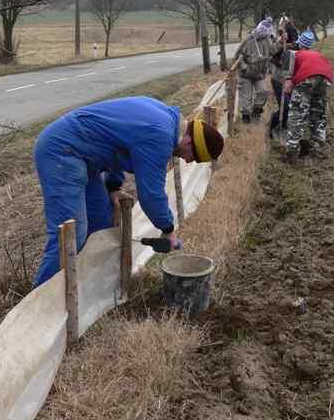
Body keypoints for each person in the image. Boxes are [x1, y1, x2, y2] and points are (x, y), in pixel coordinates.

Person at [33, 96, 224, 286]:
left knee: (101, 221)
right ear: (190, 142)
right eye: (194, 157)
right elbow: (151, 194)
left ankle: (85, 289)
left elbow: (116, 143)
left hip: (83, 156)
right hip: (62, 151)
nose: (188, 161)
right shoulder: (160, 136)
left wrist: (113, 186)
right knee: (72, 234)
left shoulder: (165, 117)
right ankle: (39, 304)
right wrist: (167, 229)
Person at [282, 30, 334, 162]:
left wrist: (288, 85)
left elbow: (288, 81)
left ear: (299, 43)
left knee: (297, 113)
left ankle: (292, 152)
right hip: (325, 77)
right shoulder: (315, 53)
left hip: (307, 77)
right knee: (318, 112)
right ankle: (318, 147)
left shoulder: (292, 53)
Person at [234, 19, 278, 123]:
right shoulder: (248, 40)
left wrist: (279, 41)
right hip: (246, 74)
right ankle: (246, 116)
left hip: (260, 74)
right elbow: (237, 57)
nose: (265, 35)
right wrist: (245, 67)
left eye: (267, 34)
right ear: (259, 30)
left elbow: (273, 51)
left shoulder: (267, 39)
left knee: (263, 92)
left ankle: (256, 112)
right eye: (264, 33)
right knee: (246, 97)